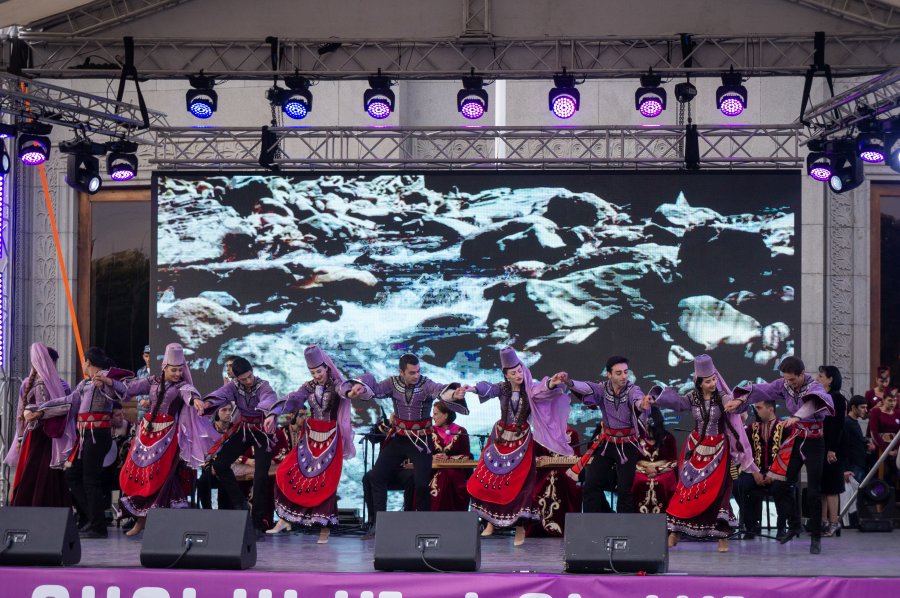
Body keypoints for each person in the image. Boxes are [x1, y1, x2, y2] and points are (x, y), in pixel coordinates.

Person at [260, 345, 371, 544]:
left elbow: (344, 388)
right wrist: (274, 414)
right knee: (286, 471)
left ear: (327, 368)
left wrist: (353, 390)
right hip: (310, 435)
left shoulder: (336, 384)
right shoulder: (308, 387)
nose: (317, 375)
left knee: (326, 482)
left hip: (331, 436)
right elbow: (293, 400)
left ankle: (324, 526)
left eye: (319, 371)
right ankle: (285, 520)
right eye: (313, 372)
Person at [651, 355, 757, 553]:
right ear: (699, 382)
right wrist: (658, 395)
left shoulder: (722, 397)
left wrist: (738, 404)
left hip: (719, 449)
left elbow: (735, 405)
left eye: (714, 379)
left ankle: (722, 537)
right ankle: (675, 532)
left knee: (720, 491)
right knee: (686, 490)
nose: (712, 383)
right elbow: (678, 403)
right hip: (696, 449)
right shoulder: (692, 398)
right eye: (708, 381)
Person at [467, 346, 571, 546]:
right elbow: (487, 388)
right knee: (487, 480)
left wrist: (552, 382)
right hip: (499, 439)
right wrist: (472, 389)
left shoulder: (530, 389)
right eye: (513, 372)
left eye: (520, 370)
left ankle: (520, 528)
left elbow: (543, 389)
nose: (518, 375)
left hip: (522, 441)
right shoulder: (502, 388)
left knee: (522, 486)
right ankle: (490, 522)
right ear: (506, 375)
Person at [730, 356, 835, 554]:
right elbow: (762, 390)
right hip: (796, 440)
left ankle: (816, 537)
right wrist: (739, 401)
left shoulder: (815, 387)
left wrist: (796, 416)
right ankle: (794, 524)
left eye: (792, 380)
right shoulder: (784, 385)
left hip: (814, 443)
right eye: (786, 379)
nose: (789, 383)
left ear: (802, 375)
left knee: (813, 491)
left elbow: (812, 404)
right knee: (779, 485)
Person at [356, 353, 469, 534]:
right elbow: (375, 390)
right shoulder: (392, 383)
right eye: (411, 372)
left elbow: (439, 390)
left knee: (422, 484)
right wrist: (361, 388)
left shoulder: (425, 384)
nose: (416, 375)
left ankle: (422, 526)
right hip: (400, 438)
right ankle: (380, 524)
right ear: (401, 372)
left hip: (421, 441)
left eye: (418, 371)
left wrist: (454, 394)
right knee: (376, 476)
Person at [24, 346, 129, 539]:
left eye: (83, 360)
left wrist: (107, 381)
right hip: (85, 436)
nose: (83, 363)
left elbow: (123, 392)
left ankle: (97, 526)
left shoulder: (104, 382)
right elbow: (68, 403)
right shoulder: (85, 385)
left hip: (98, 435)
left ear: (88, 362)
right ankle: (93, 517)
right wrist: (40, 410)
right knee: (72, 474)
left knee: (90, 480)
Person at [115, 343, 218, 536]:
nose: (178, 373)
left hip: (168, 436)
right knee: (138, 475)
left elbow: (190, 392)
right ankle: (141, 520)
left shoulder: (181, 386)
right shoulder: (152, 382)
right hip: (145, 434)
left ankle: (159, 524)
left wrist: (196, 400)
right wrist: (107, 381)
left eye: (180, 370)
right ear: (164, 367)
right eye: (174, 370)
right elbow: (130, 388)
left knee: (160, 478)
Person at [195, 357, 278, 537]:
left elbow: (269, 399)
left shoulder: (263, 385)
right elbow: (221, 394)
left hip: (262, 432)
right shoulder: (234, 386)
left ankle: (257, 524)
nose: (247, 381)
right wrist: (206, 404)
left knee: (261, 476)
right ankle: (240, 504)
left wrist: (269, 413)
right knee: (220, 464)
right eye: (243, 379)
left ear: (252, 372)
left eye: (249, 377)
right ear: (237, 378)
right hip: (244, 429)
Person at [566, 355, 649, 514]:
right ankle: (597, 524)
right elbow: (585, 387)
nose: (624, 376)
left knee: (624, 490)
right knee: (591, 486)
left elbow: (637, 400)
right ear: (609, 374)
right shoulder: (602, 389)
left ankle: (625, 530)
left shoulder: (633, 390)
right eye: (619, 373)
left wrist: (643, 405)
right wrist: (568, 382)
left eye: (626, 372)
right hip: (608, 445)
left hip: (628, 446)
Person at [6, 343, 72, 508]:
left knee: (37, 469)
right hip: (41, 433)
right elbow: (22, 414)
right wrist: (21, 437)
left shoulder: (48, 383)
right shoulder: (45, 383)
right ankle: (47, 504)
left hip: (40, 433)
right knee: (43, 470)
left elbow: (28, 412)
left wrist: (34, 414)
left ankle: (33, 504)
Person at [732, 400, 794, 539]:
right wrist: (754, 472)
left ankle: (781, 527)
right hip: (756, 471)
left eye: (759, 408)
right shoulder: (751, 428)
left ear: (771, 409)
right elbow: (743, 452)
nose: (756, 411)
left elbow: (788, 454)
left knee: (780, 487)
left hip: (778, 472)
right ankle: (752, 525)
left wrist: (775, 473)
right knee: (738, 486)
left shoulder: (785, 427)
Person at [526, 424, 583, 537]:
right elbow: (533, 458)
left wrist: (560, 459)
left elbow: (576, 459)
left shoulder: (571, 433)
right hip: (542, 473)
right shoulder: (539, 434)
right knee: (549, 477)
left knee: (557, 475)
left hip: (566, 474)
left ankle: (559, 527)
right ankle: (539, 527)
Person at [631, 406, 677, 516]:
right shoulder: (635, 438)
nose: (645, 422)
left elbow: (674, 462)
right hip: (640, 471)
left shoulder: (668, 437)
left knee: (662, 483)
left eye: (648, 419)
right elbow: (630, 461)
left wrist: (657, 469)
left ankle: (667, 522)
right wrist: (645, 469)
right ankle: (634, 522)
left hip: (663, 472)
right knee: (638, 482)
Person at [817, 365, 846, 537]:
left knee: (832, 488)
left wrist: (832, 449)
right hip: (821, 446)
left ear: (830, 379)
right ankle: (823, 521)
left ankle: (834, 522)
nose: (818, 379)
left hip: (832, 449)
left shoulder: (837, 398)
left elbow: (838, 425)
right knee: (822, 488)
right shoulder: (823, 397)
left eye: (821, 376)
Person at [428, 400, 473, 512]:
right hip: (432, 470)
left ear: (445, 415)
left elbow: (466, 456)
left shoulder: (461, 431)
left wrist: (448, 459)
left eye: (436, 414)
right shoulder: (429, 431)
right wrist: (432, 458)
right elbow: (423, 453)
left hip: (455, 470)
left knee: (446, 476)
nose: (433, 417)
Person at [867, 391, 899, 485]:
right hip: (880, 448)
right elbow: (873, 432)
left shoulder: (898, 413)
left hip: (895, 449)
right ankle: (879, 497)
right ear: (884, 400)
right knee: (881, 474)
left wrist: (896, 449)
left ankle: (894, 498)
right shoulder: (876, 411)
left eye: (894, 400)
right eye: (890, 400)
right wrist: (886, 450)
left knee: (894, 474)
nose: (892, 403)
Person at [842, 396, 874, 484]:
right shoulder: (847, 423)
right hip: (853, 467)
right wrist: (845, 469)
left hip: (859, 465)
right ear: (853, 407)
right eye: (862, 407)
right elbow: (843, 447)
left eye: (866, 407)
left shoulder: (854, 422)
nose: (866, 410)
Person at [135, 345, 152, 422]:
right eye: (146, 356)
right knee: (141, 431)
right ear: (143, 357)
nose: (148, 359)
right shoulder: (140, 371)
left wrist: (150, 401)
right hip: (142, 409)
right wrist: (140, 400)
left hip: (155, 408)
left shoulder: (160, 372)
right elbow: (136, 389)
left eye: (150, 356)